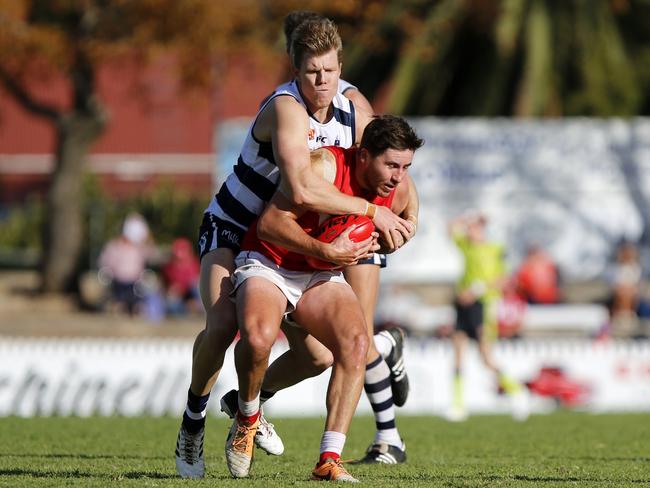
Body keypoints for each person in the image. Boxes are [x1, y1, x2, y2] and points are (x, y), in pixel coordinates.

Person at [174, 16, 415, 479]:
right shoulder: (287, 108)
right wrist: (371, 211)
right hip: (237, 226)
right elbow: (301, 189)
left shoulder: (353, 105)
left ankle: (251, 405)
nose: (321, 81)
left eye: (329, 70)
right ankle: (193, 420)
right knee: (224, 324)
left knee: (321, 354)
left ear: (339, 65)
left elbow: (394, 160)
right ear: (295, 70)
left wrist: (410, 216)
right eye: (311, 72)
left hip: (294, 247)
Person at [225, 115, 423, 481]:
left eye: (406, 166)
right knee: (257, 339)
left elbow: (410, 209)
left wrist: (406, 229)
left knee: (356, 342)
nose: (399, 176)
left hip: (319, 274)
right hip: (271, 261)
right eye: (391, 165)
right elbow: (269, 224)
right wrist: (327, 251)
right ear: (363, 156)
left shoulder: (396, 185)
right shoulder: (325, 166)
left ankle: (328, 460)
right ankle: (247, 417)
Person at [447, 211, 528, 421]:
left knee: (485, 357)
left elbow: (504, 279)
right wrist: (468, 217)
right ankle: (458, 405)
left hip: (483, 304)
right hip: (463, 305)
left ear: (482, 230)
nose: (469, 231)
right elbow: (449, 228)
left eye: (474, 228)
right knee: (457, 353)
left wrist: (476, 290)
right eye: (469, 228)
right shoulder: (466, 245)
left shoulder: (494, 249)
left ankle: (517, 390)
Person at [97, 213, 155, 316]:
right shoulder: (114, 246)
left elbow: (151, 254)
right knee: (119, 304)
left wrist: (146, 240)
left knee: (137, 305)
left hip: (135, 282)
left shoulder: (139, 248)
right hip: (118, 281)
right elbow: (104, 261)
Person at [161, 237, 201, 316]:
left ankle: (197, 309)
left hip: (191, 295)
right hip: (178, 297)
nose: (179, 253)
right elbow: (164, 286)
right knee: (171, 304)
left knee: (196, 285)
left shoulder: (195, 264)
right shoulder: (168, 267)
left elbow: (196, 284)